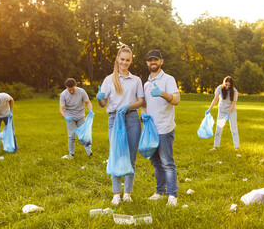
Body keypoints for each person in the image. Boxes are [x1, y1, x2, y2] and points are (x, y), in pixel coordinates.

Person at [96, 45, 144, 205]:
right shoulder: (109, 80)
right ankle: (116, 194)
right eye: (122, 59)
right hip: (114, 120)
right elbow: (103, 104)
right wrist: (99, 98)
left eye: (127, 60)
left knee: (131, 158)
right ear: (117, 59)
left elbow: (141, 101)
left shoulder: (136, 80)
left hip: (132, 119)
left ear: (131, 61)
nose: (124, 62)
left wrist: (129, 106)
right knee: (116, 155)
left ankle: (127, 193)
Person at [141, 49, 180, 207]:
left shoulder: (168, 79)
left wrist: (163, 93)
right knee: (156, 163)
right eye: (150, 60)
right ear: (147, 63)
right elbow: (145, 104)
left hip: (165, 128)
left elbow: (176, 100)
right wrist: (143, 113)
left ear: (161, 61)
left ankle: (172, 195)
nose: (153, 62)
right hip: (151, 130)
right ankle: (160, 192)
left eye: (156, 60)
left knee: (167, 163)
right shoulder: (146, 83)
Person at [60, 78, 93, 159]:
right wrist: (65, 116)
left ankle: (89, 153)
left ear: (76, 85)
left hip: (81, 116)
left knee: (85, 135)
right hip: (70, 117)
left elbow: (88, 102)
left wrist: (90, 111)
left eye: (73, 89)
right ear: (66, 87)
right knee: (71, 136)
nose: (71, 91)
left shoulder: (81, 91)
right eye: (69, 90)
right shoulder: (63, 94)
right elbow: (61, 108)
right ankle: (71, 154)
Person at [206, 76, 239, 151]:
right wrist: (210, 108)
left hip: (231, 112)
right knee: (219, 129)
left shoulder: (234, 91)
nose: (227, 86)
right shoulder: (219, 88)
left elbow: (233, 104)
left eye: (229, 85)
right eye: (226, 84)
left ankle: (236, 147)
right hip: (222, 111)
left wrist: (228, 114)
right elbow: (215, 99)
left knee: (233, 129)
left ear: (231, 85)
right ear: (223, 83)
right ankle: (215, 147)